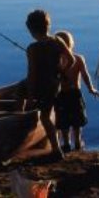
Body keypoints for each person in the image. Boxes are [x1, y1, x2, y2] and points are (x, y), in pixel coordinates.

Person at [24, 9, 74, 160]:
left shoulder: (32, 49)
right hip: (54, 85)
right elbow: (71, 60)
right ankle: (56, 148)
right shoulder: (57, 41)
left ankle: (56, 149)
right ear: (48, 26)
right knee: (46, 115)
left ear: (31, 30)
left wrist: (31, 96)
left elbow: (32, 75)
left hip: (40, 86)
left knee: (20, 92)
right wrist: (61, 71)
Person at [53, 30, 99, 152]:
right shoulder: (78, 58)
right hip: (74, 94)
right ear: (71, 44)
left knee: (63, 121)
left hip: (62, 95)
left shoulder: (55, 62)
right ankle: (77, 142)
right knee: (77, 121)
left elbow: (85, 75)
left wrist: (91, 88)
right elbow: (85, 76)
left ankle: (66, 143)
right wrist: (91, 88)